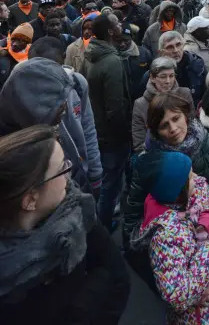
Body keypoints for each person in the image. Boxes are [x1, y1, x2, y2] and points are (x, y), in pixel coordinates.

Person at [0, 125, 130, 324]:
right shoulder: (10, 287)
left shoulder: (74, 209)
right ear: (30, 200)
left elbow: (117, 275)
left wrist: (80, 308)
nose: (69, 177)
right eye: (62, 169)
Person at [133, 151, 209, 325]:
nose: (196, 178)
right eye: (190, 177)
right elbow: (177, 295)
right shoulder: (164, 238)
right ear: (177, 193)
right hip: (199, 318)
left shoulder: (190, 198)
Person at [124, 91, 209, 251]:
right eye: (164, 125)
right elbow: (133, 223)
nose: (173, 129)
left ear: (185, 115)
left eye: (176, 118)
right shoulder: (148, 163)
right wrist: (162, 257)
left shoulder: (206, 143)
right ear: (156, 131)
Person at [0, 51, 103, 196]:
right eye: (59, 108)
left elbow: (88, 130)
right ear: (34, 112)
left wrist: (94, 173)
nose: (66, 110)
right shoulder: (12, 155)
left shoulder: (75, 85)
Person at [82, 14, 132, 231]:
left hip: (99, 129)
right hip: (112, 136)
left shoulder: (93, 54)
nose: (121, 25)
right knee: (110, 186)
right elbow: (115, 106)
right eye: (117, 23)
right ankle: (102, 230)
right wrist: (125, 135)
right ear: (111, 32)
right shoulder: (111, 61)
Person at [132, 57, 193, 154]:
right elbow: (139, 144)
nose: (168, 81)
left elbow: (192, 125)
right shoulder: (140, 104)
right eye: (163, 76)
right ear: (152, 78)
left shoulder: (185, 94)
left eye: (171, 76)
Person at [159, 30, 206, 105]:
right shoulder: (155, 73)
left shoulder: (197, 64)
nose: (176, 50)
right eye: (170, 47)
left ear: (183, 45)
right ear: (161, 52)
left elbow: (205, 94)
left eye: (178, 45)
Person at [0, 22, 34, 90]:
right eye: (13, 39)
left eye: (20, 41)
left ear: (27, 43)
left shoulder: (31, 55)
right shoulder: (3, 48)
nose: (15, 44)